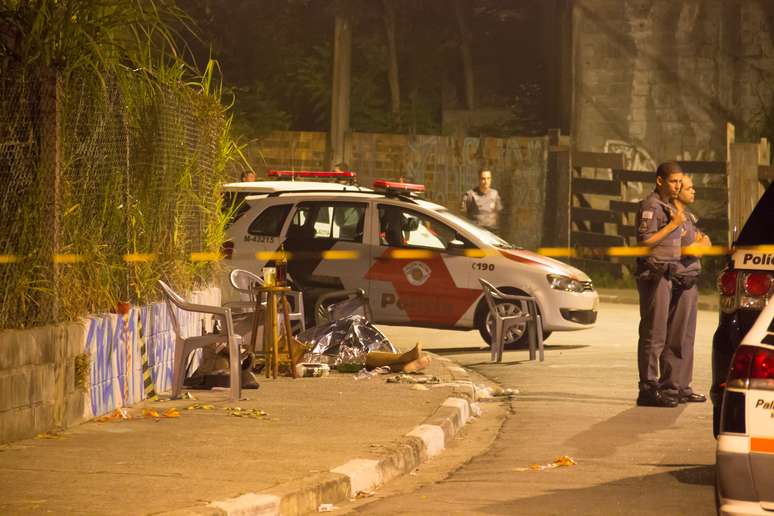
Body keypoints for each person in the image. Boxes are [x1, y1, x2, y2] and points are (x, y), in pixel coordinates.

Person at [635, 161, 686, 408]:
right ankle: (647, 387)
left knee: (662, 333)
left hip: (669, 274)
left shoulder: (669, 206)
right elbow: (645, 242)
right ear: (660, 181)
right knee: (653, 333)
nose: (678, 186)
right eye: (674, 181)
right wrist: (673, 225)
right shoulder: (652, 206)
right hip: (653, 274)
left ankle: (658, 385)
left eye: (680, 181)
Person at [661, 175, 710, 403]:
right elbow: (689, 250)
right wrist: (697, 247)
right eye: (689, 188)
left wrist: (698, 246)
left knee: (688, 338)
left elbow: (705, 243)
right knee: (676, 337)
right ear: (678, 190)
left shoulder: (688, 218)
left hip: (692, 281)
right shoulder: (672, 216)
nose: (694, 191)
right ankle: (670, 387)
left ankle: (683, 386)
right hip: (679, 282)